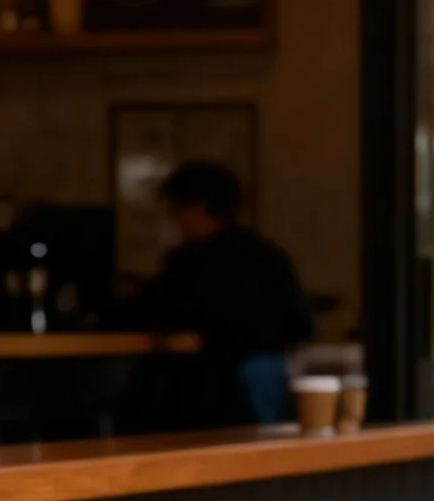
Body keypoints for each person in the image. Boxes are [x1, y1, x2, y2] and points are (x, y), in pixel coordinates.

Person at [131, 161, 314, 427]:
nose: (176, 224)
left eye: (176, 213)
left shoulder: (190, 264)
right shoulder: (268, 256)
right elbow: (303, 323)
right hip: (267, 389)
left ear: (197, 208)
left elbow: (149, 312)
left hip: (214, 399)